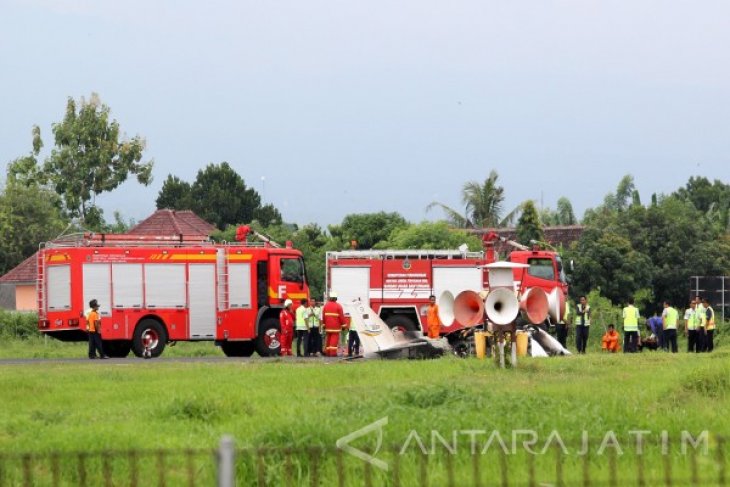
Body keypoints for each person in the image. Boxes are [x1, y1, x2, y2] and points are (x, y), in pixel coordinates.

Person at [323, 291, 347, 357]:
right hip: (335, 327)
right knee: (334, 339)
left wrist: (324, 325)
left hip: (328, 326)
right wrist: (344, 325)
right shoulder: (338, 306)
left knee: (328, 339)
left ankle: (327, 352)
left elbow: (323, 316)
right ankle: (332, 353)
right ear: (336, 298)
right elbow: (341, 317)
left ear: (330, 298)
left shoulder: (326, 305)